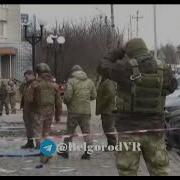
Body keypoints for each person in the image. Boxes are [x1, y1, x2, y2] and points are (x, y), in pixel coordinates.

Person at [97, 38, 177, 176]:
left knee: (127, 171)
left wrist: (119, 52)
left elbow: (102, 66)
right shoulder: (163, 69)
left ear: (130, 52)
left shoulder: (125, 69)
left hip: (129, 130)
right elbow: (172, 86)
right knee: (160, 171)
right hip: (155, 130)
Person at [26, 63, 62, 163]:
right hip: (50, 113)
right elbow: (59, 102)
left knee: (37, 134)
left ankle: (44, 154)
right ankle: (47, 152)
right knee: (46, 134)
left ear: (38, 72)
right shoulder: (54, 85)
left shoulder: (34, 84)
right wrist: (58, 115)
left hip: (37, 112)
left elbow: (28, 99)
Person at [61, 65, 97, 160]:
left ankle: (65, 151)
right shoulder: (90, 82)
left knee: (69, 132)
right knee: (86, 132)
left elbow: (67, 97)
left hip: (74, 111)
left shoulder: (71, 81)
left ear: (73, 72)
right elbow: (94, 96)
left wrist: (64, 100)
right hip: (86, 111)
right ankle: (88, 152)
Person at [96, 77, 117, 147]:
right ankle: (111, 144)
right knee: (107, 128)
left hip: (108, 109)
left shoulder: (108, 82)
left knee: (109, 128)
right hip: (107, 109)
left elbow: (110, 94)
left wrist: (102, 103)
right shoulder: (105, 81)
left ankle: (112, 144)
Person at [20, 70, 36, 149]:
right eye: (25, 77)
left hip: (33, 109)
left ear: (32, 75)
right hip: (26, 108)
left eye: (26, 76)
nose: (25, 78)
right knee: (28, 126)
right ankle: (30, 143)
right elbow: (21, 91)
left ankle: (38, 144)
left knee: (35, 127)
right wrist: (24, 82)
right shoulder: (26, 84)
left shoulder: (35, 84)